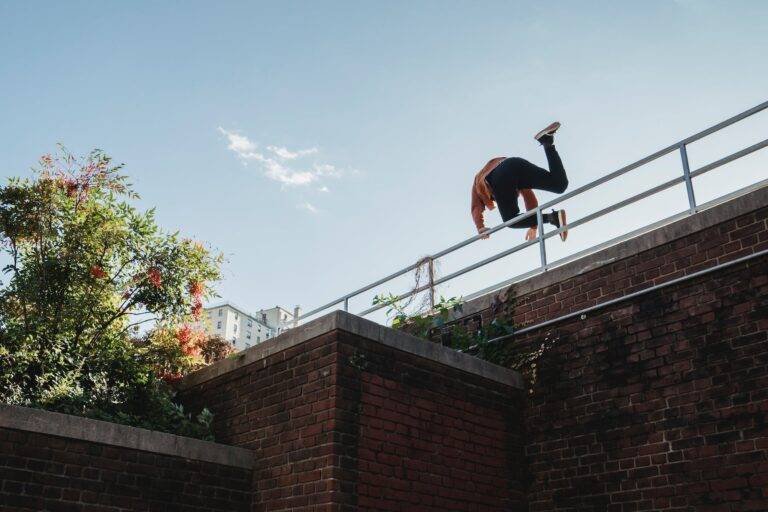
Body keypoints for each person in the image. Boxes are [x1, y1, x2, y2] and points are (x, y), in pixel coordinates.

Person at [471, 122, 569, 242]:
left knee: (511, 221)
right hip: (514, 163)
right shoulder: (513, 184)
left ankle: (552, 217)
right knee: (559, 185)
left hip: (501, 175)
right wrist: (534, 223)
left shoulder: (478, 180)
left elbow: (476, 207)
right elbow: (529, 197)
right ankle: (547, 142)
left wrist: (480, 227)